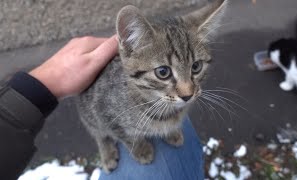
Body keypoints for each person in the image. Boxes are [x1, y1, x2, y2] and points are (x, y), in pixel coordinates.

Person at [0, 35, 204, 180]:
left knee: (175, 120)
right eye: (163, 72)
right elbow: (111, 119)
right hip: (105, 117)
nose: (187, 90)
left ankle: (168, 127)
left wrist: (35, 87)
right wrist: (137, 146)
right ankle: (103, 143)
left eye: (196, 68)